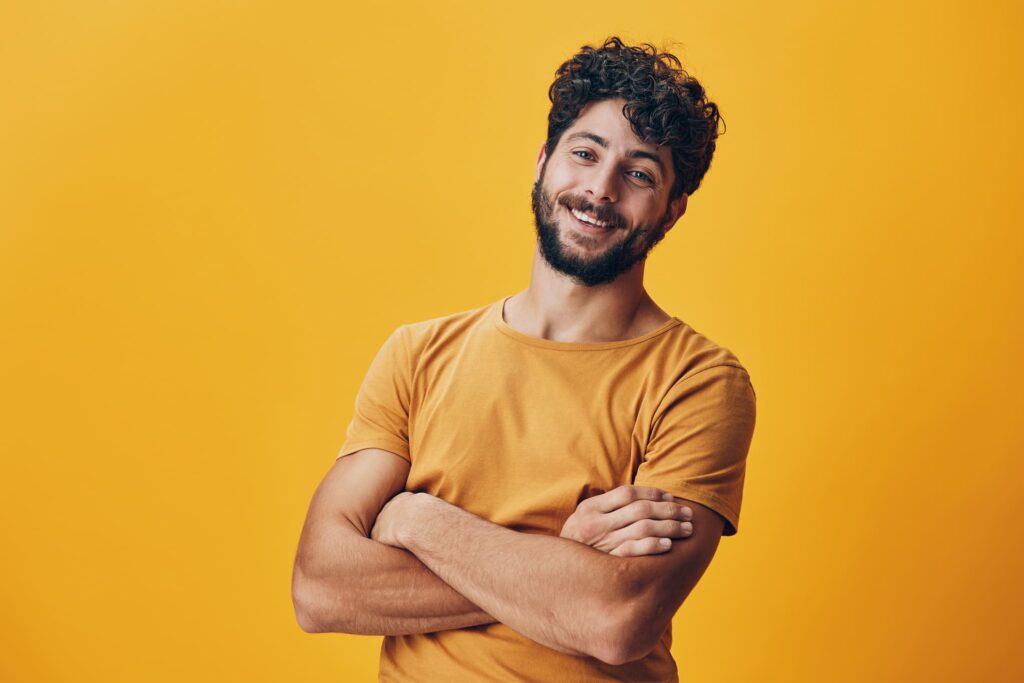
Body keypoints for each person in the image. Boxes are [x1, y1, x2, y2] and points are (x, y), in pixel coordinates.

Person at [292, 36, 757, 682]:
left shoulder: (699, 381)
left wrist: (415, 519)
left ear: (673, 211)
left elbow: (616, 617)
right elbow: (320, 587)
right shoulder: (419, 353)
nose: (600, 189)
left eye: (640, 172)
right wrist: (560, 557)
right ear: (543, 162)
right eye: (585, 153)